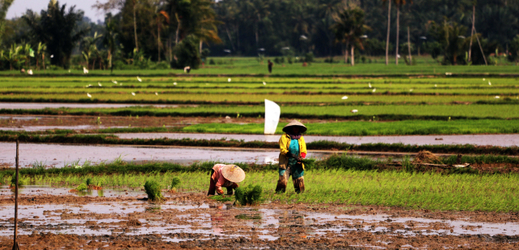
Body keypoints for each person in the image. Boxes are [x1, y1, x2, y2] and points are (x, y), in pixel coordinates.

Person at [276, 120, 307, 193]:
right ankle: (279, 195)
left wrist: (301, 158)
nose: (296, 129)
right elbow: (283, 149)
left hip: (297, 163)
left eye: (297, 128)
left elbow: (303, 150)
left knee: (299, 180)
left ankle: (300, 195)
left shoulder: (300, 138)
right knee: (282, 180)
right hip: (286, 162)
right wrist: (291, 155)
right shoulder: (284, 137)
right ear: (291, 128)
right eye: (294, 127)